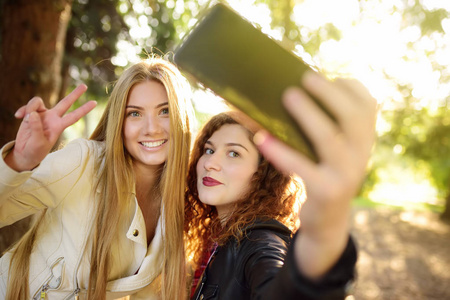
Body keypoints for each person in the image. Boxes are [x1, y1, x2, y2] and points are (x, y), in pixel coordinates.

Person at [0, 57, 194, 299]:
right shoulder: (85, 162)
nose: (151, 128)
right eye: (135, 114)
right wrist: (20, 161)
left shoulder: (179, 202)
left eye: (164, 111)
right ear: (118, 123)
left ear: (181, 117)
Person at [184, 71, 377, 299]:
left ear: (263, 173)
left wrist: (322, 240)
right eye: (209, 150)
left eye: (234, 153)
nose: (211, 163)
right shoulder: (217, 236)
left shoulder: (260, 243)